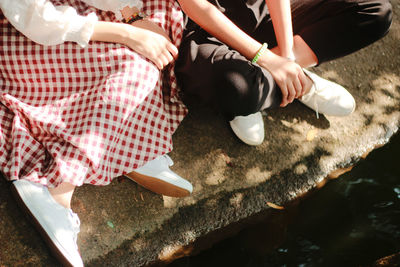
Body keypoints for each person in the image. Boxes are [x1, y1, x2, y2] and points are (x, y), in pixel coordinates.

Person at [0, 0, 193, 265]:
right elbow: (35, 17)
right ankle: (56, 190)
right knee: (136, 70)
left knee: (160, 13)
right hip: (26, 32)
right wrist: (128, 33)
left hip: (79, 12)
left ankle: (127, 144)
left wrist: (131, 14)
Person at [175, 0, 393, 145]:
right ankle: (297, 83)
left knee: (375, 11)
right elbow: (196, 6)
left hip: (256, 8)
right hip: (199, 29)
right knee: (237, 87)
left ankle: (282, 78)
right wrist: (267, 58)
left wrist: (287, 57)